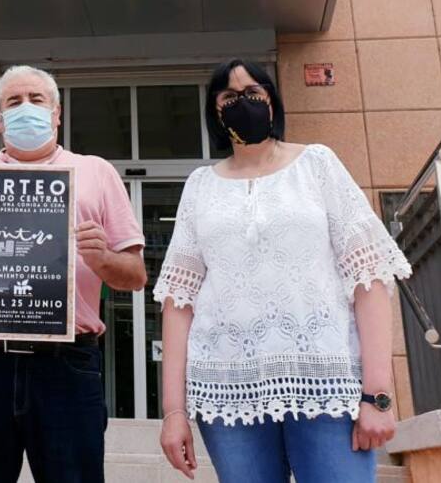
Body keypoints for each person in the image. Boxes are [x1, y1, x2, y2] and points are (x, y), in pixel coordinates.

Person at [156, 59, 412, 483]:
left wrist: (378, 394)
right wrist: (173, 411)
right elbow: (179, 301)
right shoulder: (200, 186)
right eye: (229, 96)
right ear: (214, 111)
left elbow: (368, 278)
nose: (243, 102)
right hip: (227, 388)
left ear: (272, 101)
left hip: (325, 382)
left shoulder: (318, 164)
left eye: (253, 93)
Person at [0, 64, 147, 483]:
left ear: (56, 113)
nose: (26, 107)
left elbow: (135, 276)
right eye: (14, 101)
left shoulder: (96, 172)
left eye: (36, 99)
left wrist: (103, 259)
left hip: (67, 364)